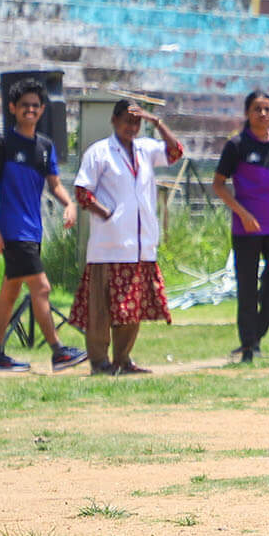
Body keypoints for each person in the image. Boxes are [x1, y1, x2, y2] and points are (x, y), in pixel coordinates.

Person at [70, 97, 185, 375]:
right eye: (126, 121)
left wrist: (156, 122)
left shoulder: (146, 149)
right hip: (108, 244)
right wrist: (106, 213)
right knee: (101, 307)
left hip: (140, 244)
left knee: (132, 307)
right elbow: (83, 192)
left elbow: (176, 151)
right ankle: (99, 361)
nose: (132, 127)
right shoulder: (99, 152)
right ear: (114, 121)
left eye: (136, 122)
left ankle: (123, 358)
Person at [0, 79, 86, 372]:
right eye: (24, 105)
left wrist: (70, 204)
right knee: (41, 288)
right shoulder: (2, 144)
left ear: (42, 110)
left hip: (33, 229)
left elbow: (54, 184)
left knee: (11, 290)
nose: (30, 110)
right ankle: (58, 351)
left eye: (35, 106)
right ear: (13, 108)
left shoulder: (45, 147)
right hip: (13, 230)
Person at [213, 90, 269, 363]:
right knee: (248, 288)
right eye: (257, 109)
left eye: (267, 109)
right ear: (247, 113)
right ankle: (249, 347)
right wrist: (242, 213)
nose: (262, 114)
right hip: (247, 229)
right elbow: (218, 185)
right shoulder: (237, 145)